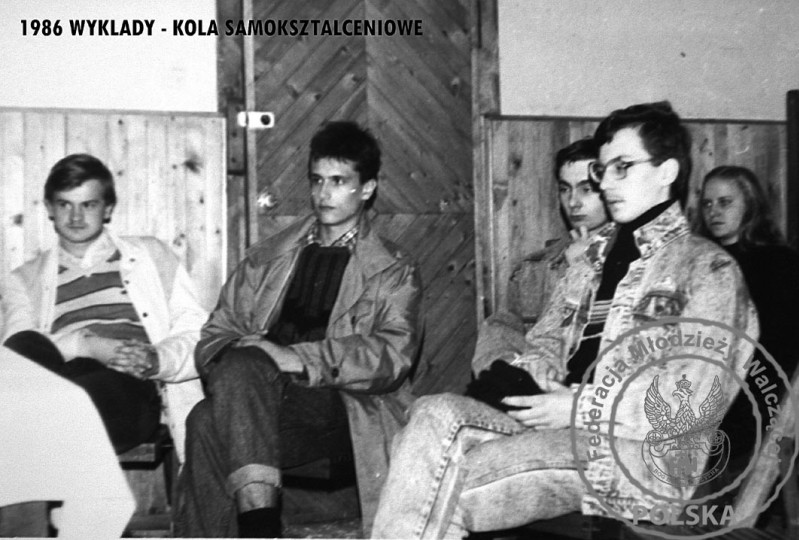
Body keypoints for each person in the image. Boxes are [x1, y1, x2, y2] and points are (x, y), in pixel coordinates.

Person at [371, 102, 758, 539]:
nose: (606, 183)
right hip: (558, 422)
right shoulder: (591, 260)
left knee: (440, 484)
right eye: (603, 171)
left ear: (667, 171)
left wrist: (580, 408)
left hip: (645, 457)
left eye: (622, 168)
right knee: (430, 414)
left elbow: (692, 404)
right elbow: (544, 338)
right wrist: (537, 368)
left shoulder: (708, 269)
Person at [176, 120, 423, 538]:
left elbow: (391, 356)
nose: (324, 193)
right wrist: (249, 356)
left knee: (215, 410)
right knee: (210, 410)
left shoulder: (394, 269)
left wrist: (294, 357)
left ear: (366, 188)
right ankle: (260, 529)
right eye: (317, 180)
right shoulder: (267, 258)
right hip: (260, 397)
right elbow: (216, 334)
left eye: (339, 181)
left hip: (343, 404)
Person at [1, 153, 207, 463]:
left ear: (108, 208)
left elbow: (198, 334)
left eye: (88, 205)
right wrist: (87, 346)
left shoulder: (151, 256)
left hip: (128, 386)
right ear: (49, 208)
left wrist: (156, 359)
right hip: (59, 378)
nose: (76, 217)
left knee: (81, 396)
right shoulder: (24, 279)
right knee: (25, 345)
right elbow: (15, 358)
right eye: (65, 204)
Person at [695, 165, 799, 489]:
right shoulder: (699, 260)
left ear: (751, 204)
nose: (714, 211)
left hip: (756, 387)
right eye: (707, 203)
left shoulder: (778, 262)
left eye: (725, 202)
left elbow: (778, 344)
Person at [472, 138, 611, 375]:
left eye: (586, 189)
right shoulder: (532, 269)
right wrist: (513, 369)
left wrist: (587, 268)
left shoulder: (633, 258)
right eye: (565, 189)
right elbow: (500, 334)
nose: (573, 202)